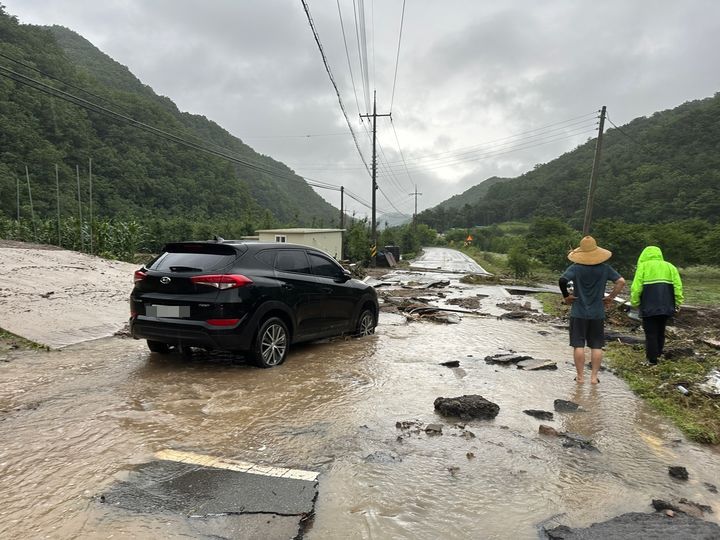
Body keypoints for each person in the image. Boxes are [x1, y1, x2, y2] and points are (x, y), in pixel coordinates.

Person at [559, 236, 626, 384]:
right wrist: (611, 297)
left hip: (579, 312)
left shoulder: (575, 268)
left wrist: (566, 297)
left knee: (578, 345)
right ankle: (594, 377)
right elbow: (621, 281)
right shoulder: (605, 268)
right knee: (596, 345)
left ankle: (581, 377)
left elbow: (562, 280)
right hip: (597, 313)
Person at [630, 246, 683, 366]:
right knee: (661, 331)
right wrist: (678, 302)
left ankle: (652, 360)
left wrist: (635, 302)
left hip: (649, 306)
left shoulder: (643, 267)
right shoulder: (670, 267)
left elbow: (636, 288)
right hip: (667, 306)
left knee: (651, 333)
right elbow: (678, 287)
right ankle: (658, 353)